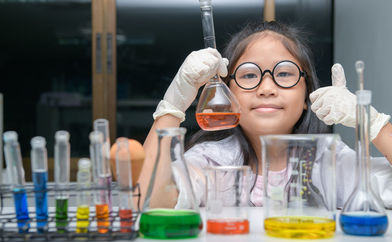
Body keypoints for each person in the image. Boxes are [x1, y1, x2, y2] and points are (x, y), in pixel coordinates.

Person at [138, 21, 392, 210]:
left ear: (307, 97)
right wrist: (174, 104)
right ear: (228, 96)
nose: (267, 88)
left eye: (284, 74)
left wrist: (371, 122)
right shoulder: (212, 163)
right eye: (249, 75)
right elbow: (148, 202)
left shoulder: (329, 162)